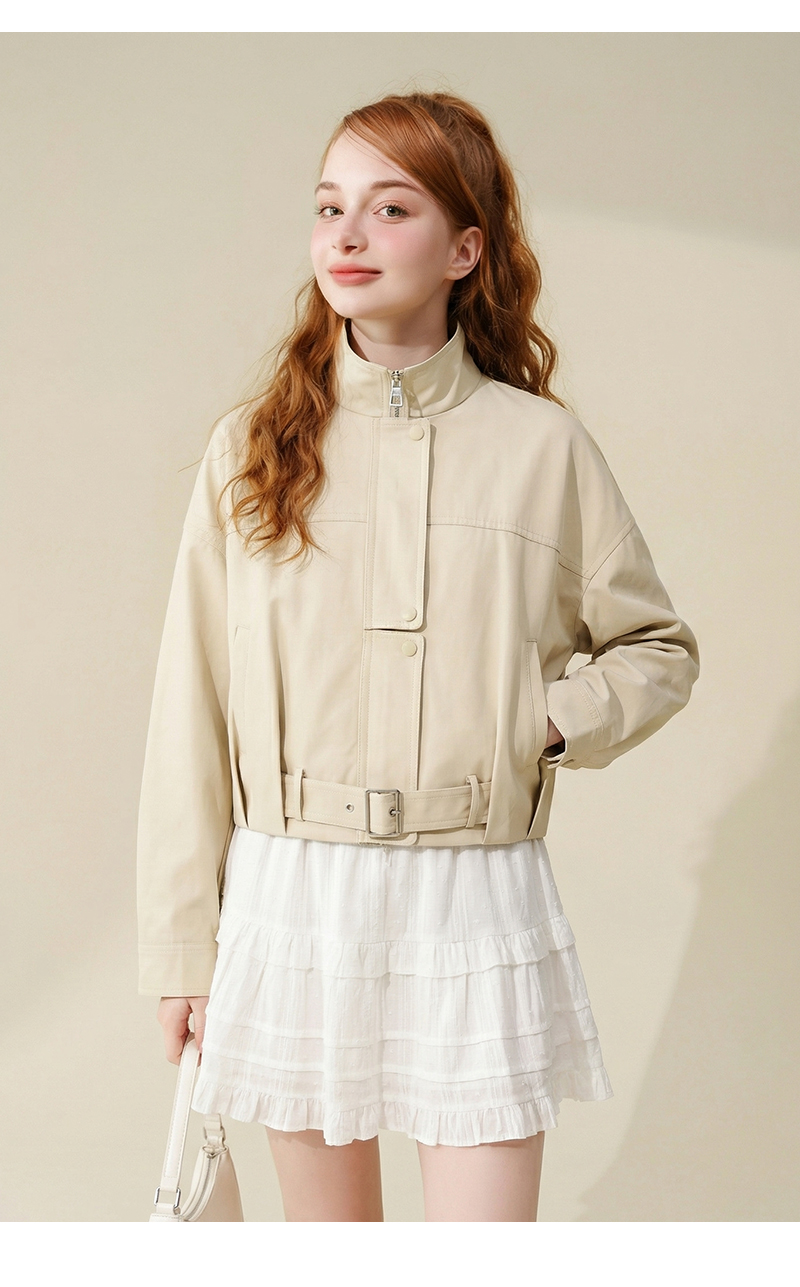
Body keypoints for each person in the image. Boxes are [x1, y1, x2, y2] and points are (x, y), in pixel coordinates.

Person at [137, 90, 699, 1222]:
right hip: (294, 895)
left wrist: (542, 722)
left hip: (474, 894)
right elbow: (189, 706)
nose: (346, 234)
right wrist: (182, 949)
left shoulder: (543, 448)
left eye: (390, 208)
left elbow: (657, 647)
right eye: (328, 207)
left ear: (464, 249)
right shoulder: (252, 449)